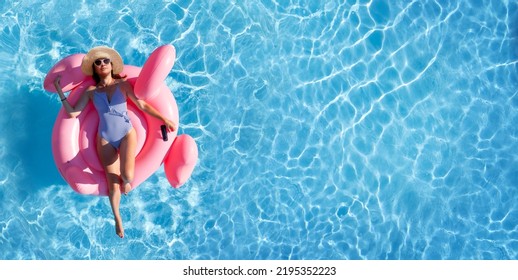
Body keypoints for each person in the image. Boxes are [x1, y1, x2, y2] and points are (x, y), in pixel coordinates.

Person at [53, 46, 176, 238]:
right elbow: (74, 112)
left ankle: (126, 182)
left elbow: (142, 105)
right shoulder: (91, 91)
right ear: (94, 69)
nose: (102, 64)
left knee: (127, 177)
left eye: (105, 61)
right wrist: (61, 91)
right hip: (104, 138)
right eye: (98, 62)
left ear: (111, 66)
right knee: (113, 183)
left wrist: (164, 119)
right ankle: (117, 218)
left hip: (126, 133)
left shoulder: (123, 85)